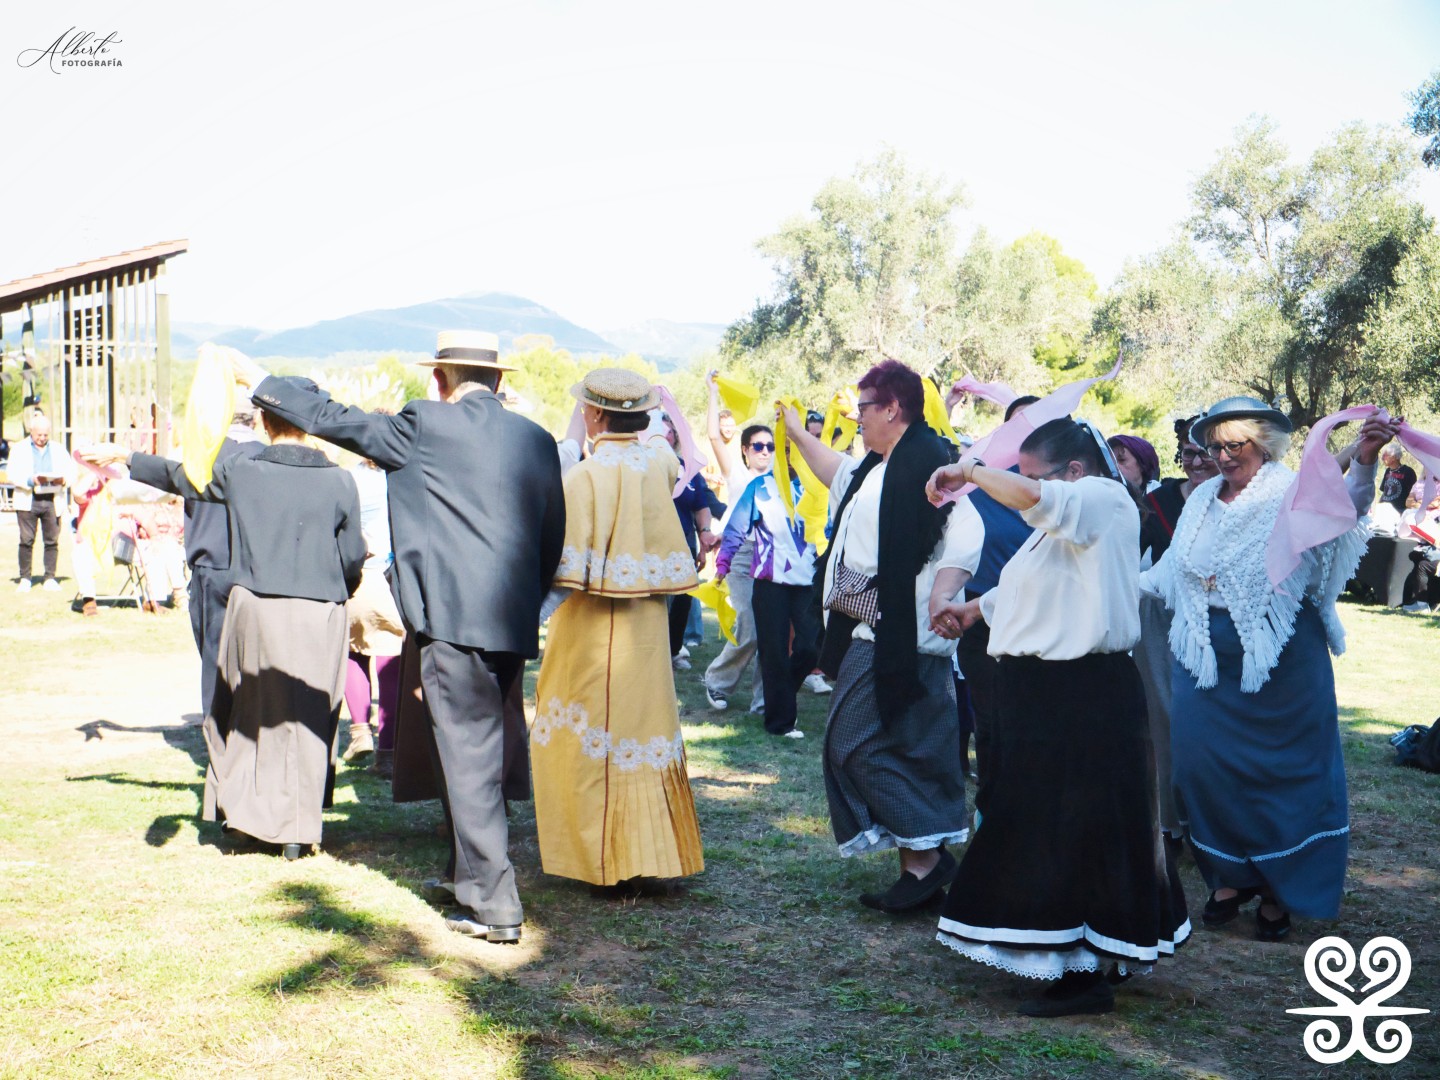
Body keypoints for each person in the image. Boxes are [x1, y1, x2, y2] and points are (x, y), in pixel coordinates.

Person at [238, 331, 565, 944]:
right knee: (474, 751)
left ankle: (495, 904)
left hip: (449, 617)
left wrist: (256, 377)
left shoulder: (423, 426)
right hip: (510, 618)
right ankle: (467, 875)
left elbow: (332, 420)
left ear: (440, 381)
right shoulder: (537, 439)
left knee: (466, 752)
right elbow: (553, 535)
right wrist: (528, 603)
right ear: (497, 382)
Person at [927, 417, 1189, 1018]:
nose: (1021, 487)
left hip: (1083, 694)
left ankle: (1086, 971)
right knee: (1050, 824)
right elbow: (1035, 584)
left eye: (1033, 475)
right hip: (1052, 694)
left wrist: (969, 470)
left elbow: (1036, 499)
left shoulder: (1100, 498)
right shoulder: (1067, 522)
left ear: (1073, 470)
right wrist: (972, 610)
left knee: (1077, 827)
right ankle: (1070, 954)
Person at [1142, 396, 1398, 943]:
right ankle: (1230, 876)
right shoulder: (1202, 500)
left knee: (1285, 773)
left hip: (1277, 655)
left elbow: (1345, 509)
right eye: (1212, 446)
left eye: (1234, 445)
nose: (1221, 456)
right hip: (1204, 654)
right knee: (1197, 765)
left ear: (1264, 445)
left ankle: (1284, 887)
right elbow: (1170, 571)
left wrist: (1368, 459)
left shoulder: (1290, 490)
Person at [88, 377, 367, 859]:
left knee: (245, 713)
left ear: (262, 420)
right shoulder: (340, 480)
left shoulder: (243, 471)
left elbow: (182, 476)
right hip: (321, 611)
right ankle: (301, 827)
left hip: (255, 607)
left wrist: (126, 459)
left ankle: (246, 818)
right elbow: (352, 554)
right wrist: (338, 589)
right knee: (311, 715)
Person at [782, 360, 970, 912]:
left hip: (902, 630)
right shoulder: (876, 468)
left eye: (862, 407)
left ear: (891, 408)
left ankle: (929, 860)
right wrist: (795, 434)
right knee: (901, 746)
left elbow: (968, 528)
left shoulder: (931, 461)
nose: (854, 416)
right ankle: (921, 864)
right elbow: (835, 471)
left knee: (850, 743)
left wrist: (943, 594)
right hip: (875, 626)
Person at [530, 368, 704, 888]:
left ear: (596, 414)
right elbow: (676, 449)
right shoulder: (659, 461)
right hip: (647, 629)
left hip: (590, 628)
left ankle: (599, 862)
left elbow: (564, 573)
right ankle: (648, 857)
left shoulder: (583, 477)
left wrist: (528, 623)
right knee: (644, 732)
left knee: (586, 738)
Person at [1131, 419, 1219, 843]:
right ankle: (1171, 822)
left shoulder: (1236, 499)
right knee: (1162, 716)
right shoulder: (1160, 499)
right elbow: (1135, 552)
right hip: (1162, 616)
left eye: (1205, 451)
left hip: (1216, 619)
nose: (1197, 461)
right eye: (1188, 452)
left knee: (1208, 718)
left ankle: (1212, 819)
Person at [714, 424, 820, 739]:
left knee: (811, 647)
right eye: (781, 450)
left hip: (807, 584)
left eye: (791, 451)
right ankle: (780, 723)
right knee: (773, 651)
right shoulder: (759, 487)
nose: (785, 457)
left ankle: (780, 689)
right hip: (770, 582)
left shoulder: (817, 488)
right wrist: (723, 563)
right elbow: (735, 529)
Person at [702, 417, 771, 714]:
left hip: (773, 557)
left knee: (772, 629)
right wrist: (713, 391)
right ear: (745, 450)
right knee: (749, 624)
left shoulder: (780, 482)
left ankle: (764, 700)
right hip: (742, 554)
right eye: (758, 446)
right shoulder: (738, 476)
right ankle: (717, 681)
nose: (765, 452)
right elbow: (715, 438)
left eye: (770, 446)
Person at [343, 446, 405, 770]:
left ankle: (359, 732)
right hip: (391, 577)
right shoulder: (400, 478)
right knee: (389, 658)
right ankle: (389, 750)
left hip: (356, 575)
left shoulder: (351, 477)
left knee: (353, 652)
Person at [10, 414, 74, 592]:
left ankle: (50, 577)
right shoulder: (19, 449)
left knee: (52, 540)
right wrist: (30, 480)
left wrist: (63, 481)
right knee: (26, 540)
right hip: (28, 499)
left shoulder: (59, 449)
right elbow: (12, 473)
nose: (42, 438)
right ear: (31, 431)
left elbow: (70, 472)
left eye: (46, 435)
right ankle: (25, 578)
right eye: (39, 435)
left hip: (52, 500)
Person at [1378, 445, 1417, 514]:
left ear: (1394, 457)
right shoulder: (1388, 471)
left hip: (1399, 510)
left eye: (1385, 455)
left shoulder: (1408, 472)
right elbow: (1384, 492)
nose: (1382, 458)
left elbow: (1413, 494)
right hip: (1384, 508)